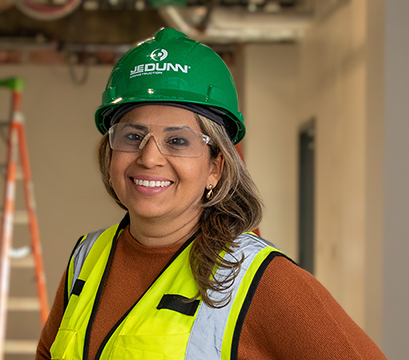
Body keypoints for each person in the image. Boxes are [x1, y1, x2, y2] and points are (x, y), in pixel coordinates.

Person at [36, 28, 386, 360]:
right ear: (110, 153)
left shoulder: (257, 278)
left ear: (215, 167)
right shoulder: (87, 258)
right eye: (132, 136)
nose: (149, 156)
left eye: (177, 140)